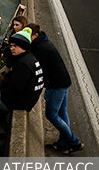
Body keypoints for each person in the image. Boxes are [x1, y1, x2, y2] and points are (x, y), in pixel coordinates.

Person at [27, 23, 83, 154]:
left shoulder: (40, 48)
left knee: (51, 114)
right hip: (63, 81)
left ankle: (74, 142)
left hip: (56, 85)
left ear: (35, 35)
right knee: (62, 114)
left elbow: (39, 69)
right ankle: (63, 143)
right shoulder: (43, 43)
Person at [0, 28, 44, 139]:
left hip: (20, 101)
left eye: (15, 46)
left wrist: (3, 95)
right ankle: (0, 128)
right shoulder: (28, 57)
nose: (12, 48)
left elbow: (15, 88)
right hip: (24, 97)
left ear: (24, 46)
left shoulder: (23, 64)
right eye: (11, 46)